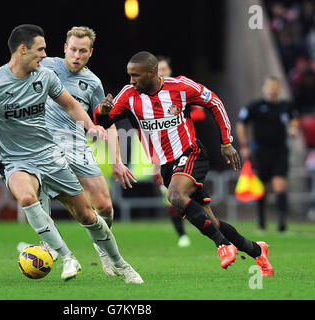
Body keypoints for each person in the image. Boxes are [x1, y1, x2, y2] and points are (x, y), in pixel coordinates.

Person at [0, 26, 136, 278]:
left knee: (102, 207)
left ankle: (105, 252)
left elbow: (100, 120)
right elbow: (1, 79)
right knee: (29, 194)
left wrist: (115, 157)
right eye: (72, 49)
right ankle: (57, 250)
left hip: (75, 144)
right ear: (65, 48)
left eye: (82, 51)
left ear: (90, 53)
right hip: (44, 144)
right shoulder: (45, 66)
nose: (76, 55)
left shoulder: (90, 83)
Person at [94, 51, 274, 276]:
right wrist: (102, 111)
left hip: (191, 152)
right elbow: (103, 122)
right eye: (129, 75)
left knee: (175, 197)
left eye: (135, 75)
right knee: (211, 221)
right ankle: (257, 250)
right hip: (168, 166)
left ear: (152, 72)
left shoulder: (180, 87)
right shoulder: (128, 95)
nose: (131, 80)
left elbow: (214, 102)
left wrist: (226, 142)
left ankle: (223, 245)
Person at [236, 76, 299, 232]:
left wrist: (293, 128)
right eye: (270, 86)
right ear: (264, 88)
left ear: (279, 88)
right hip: (261, 151)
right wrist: (244, 145)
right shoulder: (255, 106)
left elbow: (294, 120)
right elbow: (241, 123)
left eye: (275, 86)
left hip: (279, 150)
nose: (272, 89)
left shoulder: (286, 106)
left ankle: (282, 221)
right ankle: (262, 221)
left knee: (280, 185)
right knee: (262, 187)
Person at [155, 55, 190, 247]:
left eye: (164, 70)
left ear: (170, 71)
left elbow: (196, 112)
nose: (162, 73)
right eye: (158, 70)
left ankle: (209, 227)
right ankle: (182, 234)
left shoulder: (179, 93)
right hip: (162, 156)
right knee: (170, 196)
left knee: (190, 192)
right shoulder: (146, 97)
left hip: (184, 151)